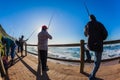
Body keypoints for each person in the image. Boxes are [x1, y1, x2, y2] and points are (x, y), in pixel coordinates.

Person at [84, 14, 108, 80]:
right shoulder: (100, 24)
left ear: (90, 18)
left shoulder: (87, 24)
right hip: (98, 46)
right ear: (95, 18)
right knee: (97, 63)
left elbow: (85, 34)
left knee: (84, 47)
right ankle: (92, 76)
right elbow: (105, 35)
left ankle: (88, 57)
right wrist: (100, 39)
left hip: (90, 46)